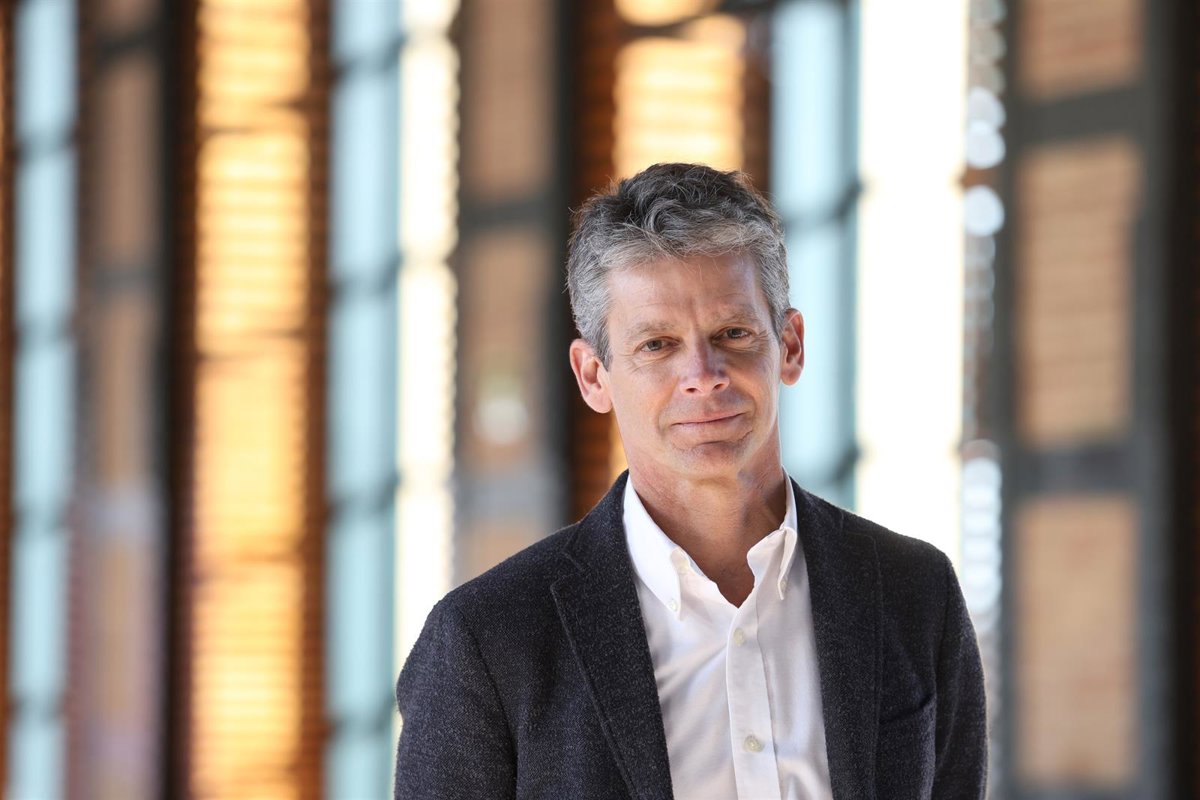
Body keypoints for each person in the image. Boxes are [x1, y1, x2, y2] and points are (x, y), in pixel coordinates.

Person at [395, 162, 987, 800]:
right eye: (656, 345)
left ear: (789, 345)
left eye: (733, 333)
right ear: (593, 376)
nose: (704, 376)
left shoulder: (915, 594)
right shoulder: (486, 641)